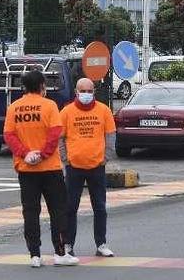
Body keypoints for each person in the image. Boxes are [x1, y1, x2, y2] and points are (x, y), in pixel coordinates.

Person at [3, 69, 79, 268]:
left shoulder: (14, 108)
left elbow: (9, 136)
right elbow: (55, 134)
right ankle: (60, 253)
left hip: (26, 169)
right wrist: (42, 154)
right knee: (58, 211)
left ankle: (34, 255)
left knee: (30, 212)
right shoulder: (49, 106)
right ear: (42, 86)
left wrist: (25, 154)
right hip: (50, 168)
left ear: (24, 87)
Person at [60, 77, 117, 258]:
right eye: (82, 91)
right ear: (76, 92)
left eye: (89, 91)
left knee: (100, 207)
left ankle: (101, 243)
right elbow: (60, 138)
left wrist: (106, 157)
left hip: (97, 166)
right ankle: (68, 244)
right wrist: (65, 159)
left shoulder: (103, 110)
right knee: (70, 208)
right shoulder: (67, 112)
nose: (86, 94)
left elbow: (110, 135)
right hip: (74, 167)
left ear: (94, 92)